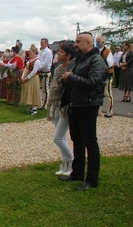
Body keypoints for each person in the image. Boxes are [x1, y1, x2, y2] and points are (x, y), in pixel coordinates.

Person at [60, 32, 107, 190]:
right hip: (75, 104)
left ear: (89, 43)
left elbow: (92, 82)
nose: (75, 45)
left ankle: (92, 179)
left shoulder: (97, 60)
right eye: (76, 41)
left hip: (88, 104)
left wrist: (71, 78)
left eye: (79, 42)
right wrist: (67, 78)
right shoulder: (77, 60)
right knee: (76, 140)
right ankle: (77, 172)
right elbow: (66, 77)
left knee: (90, 142)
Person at [47, 41, 75, 176]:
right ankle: (65, 164)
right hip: (56, 103)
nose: (58, 53)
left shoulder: (70, 70)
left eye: (61, 52)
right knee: (62, 137)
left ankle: (72, 161)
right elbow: (55, 85)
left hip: (64, 104)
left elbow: (64, 85)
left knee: (57, 138)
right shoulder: (58, 69)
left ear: (68, 55)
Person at [96, 35, 114, 115]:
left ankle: (110, 110)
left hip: (107, 75)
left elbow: (110, 63)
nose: (97, 43)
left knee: (107, 93)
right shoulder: (95, 51)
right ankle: (99, 110)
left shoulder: (108, 51)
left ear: (103, 42)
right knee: (98, 93)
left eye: (98, 41)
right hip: (98, 75)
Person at [20, 46, 41, 115]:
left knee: (33, 91)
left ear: (34, 52)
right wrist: (22, 76)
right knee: (29, 91)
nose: (29, 53)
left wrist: (27, 77)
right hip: (28, 77)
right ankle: (31, 108)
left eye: (30, 51)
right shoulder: (30, 60)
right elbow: (26, 68)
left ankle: (34, 109)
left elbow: (35, 70)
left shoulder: (37, 60)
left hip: (33, 77)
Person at [117, 42, 133, 107]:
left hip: (129, 68)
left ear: (128, 46)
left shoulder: (131, 53)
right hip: (123, 68)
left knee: (129, 81)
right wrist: (121, 65)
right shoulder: (123, 53)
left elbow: (130, 61)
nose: (124, 46)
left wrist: (124, 65)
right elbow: (120, 60)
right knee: (124, 81)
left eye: (125, 45)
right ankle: (124, 95)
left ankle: (128, 95)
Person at [38, 38, 53, 109]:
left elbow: (45, 63)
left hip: (45, 71)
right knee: (40, 88)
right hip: (40, 71)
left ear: (46, 44)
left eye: (42, 43)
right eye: (40, 43)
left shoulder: (48, 52)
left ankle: (45, 104)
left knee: (45, 88)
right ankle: (41, 102)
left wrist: (38, 68)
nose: (41, 44)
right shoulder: (41, 51)